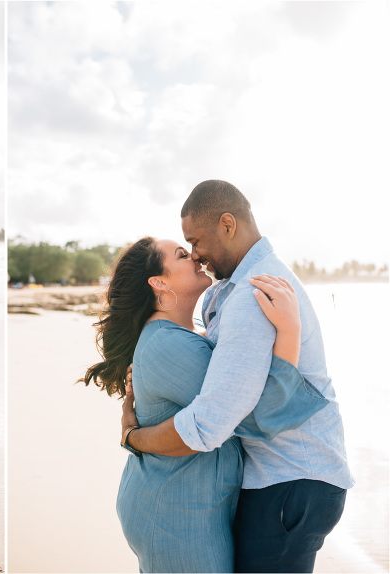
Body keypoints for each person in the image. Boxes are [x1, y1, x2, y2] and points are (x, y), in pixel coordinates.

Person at [122, 180, 353, 572]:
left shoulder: (253, 293)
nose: (196, 255)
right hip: (287, 478)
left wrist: (134, 437)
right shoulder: (233, 289)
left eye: (195, 242)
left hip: (289, 479)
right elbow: (222, 370)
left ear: (227, 225)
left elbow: (215, 423)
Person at [82, 235, 327, 572]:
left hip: (181, 504)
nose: (196, 257)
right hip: (176, 515)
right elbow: (255, 416)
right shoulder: (169, 344)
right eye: (182, 255)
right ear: (159, 282)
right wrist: (290, 331)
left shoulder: (179, 337)